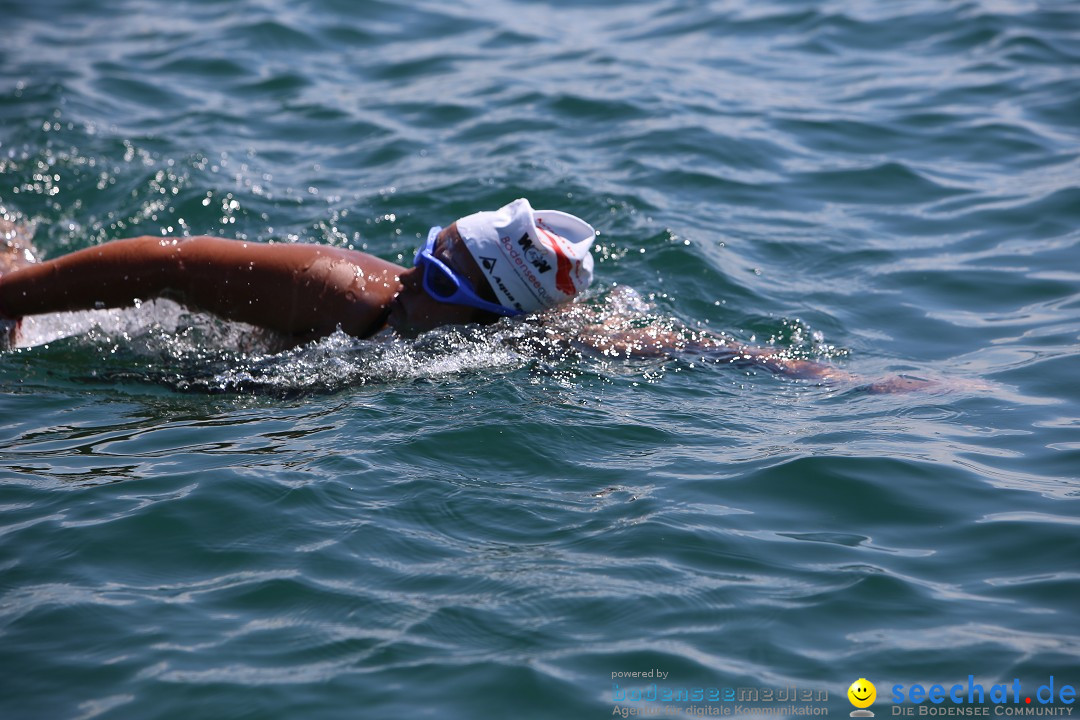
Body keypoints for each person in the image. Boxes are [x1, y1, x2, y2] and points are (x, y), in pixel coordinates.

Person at [0, 200, 931, 391]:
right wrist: (16, 293)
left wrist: (827, 376)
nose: (411, 286)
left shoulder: (519, 344)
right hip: (213, 326)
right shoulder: (339, 292)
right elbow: (165, 262)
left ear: (493, 316)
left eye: (438, 281)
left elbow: (684, 348)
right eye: (421, 261)